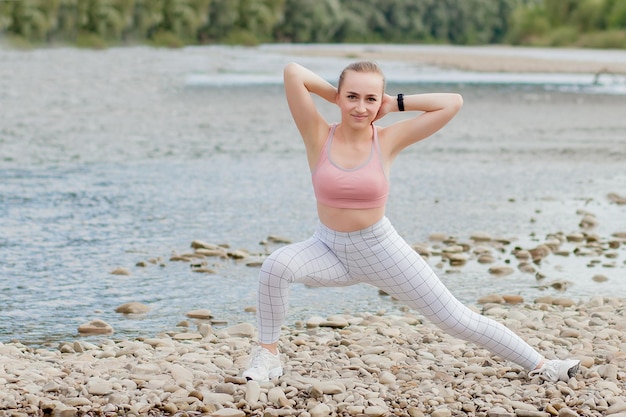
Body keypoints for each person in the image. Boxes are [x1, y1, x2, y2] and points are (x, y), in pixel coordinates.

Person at [242, 61, 580, 383]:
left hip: (380, 249)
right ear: (339, 98)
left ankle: (543, 365)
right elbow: (292, 73)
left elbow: (452, 103)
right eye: (352, 97)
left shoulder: (387, 140)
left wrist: (395, 104)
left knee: (454, 318)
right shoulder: (318, 134)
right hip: (328, 248)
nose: (361, 107)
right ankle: (268, 355)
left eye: (370, 99)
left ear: (380, 102)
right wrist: (335, 94)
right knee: (276, 266)